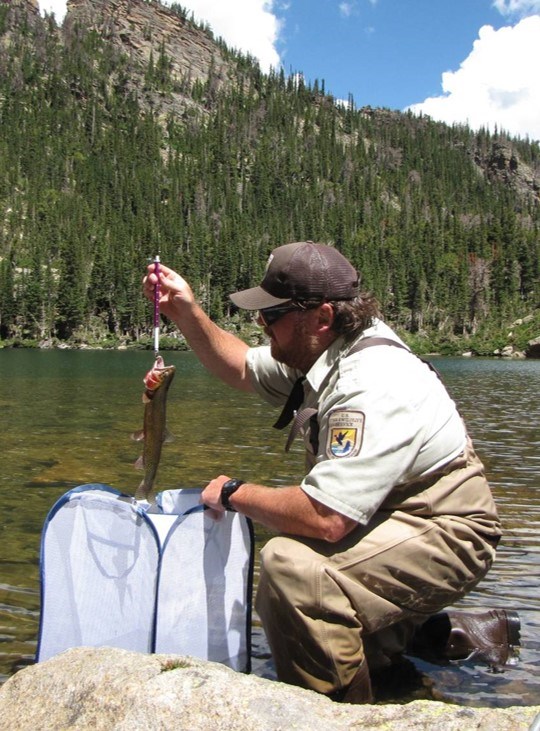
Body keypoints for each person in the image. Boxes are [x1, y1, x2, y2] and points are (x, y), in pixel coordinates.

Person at [143, 241, 519, 703]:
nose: (260, 324)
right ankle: (455, 636)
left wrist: (234, 491)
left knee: (293, 570)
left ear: (321, 317)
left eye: (271, 315)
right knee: (358, 643)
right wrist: (185, 312)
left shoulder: (370, 380)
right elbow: (242, 366)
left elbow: (326, 516)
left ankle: (338, 713)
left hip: (446, 526)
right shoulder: (321, 349)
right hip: (388, 513)